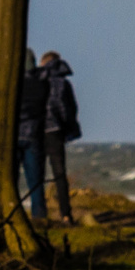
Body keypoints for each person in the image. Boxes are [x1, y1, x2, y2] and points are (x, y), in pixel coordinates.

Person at [39, 51, 80, 223]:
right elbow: (70, 109)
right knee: (59, 174)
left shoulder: (38, 81)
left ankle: (39, 213)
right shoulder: (64, 83)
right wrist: (68, 128)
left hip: (38, 130)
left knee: (37, 174)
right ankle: (65, 214)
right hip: (56, 131)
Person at [15, 49, 48, 220]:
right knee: (36, 182)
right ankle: (39, 216)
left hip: (14, 135)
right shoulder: (42, 83)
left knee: (10, 180)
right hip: (34, 134)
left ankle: (11, 215)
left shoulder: (12, 83)